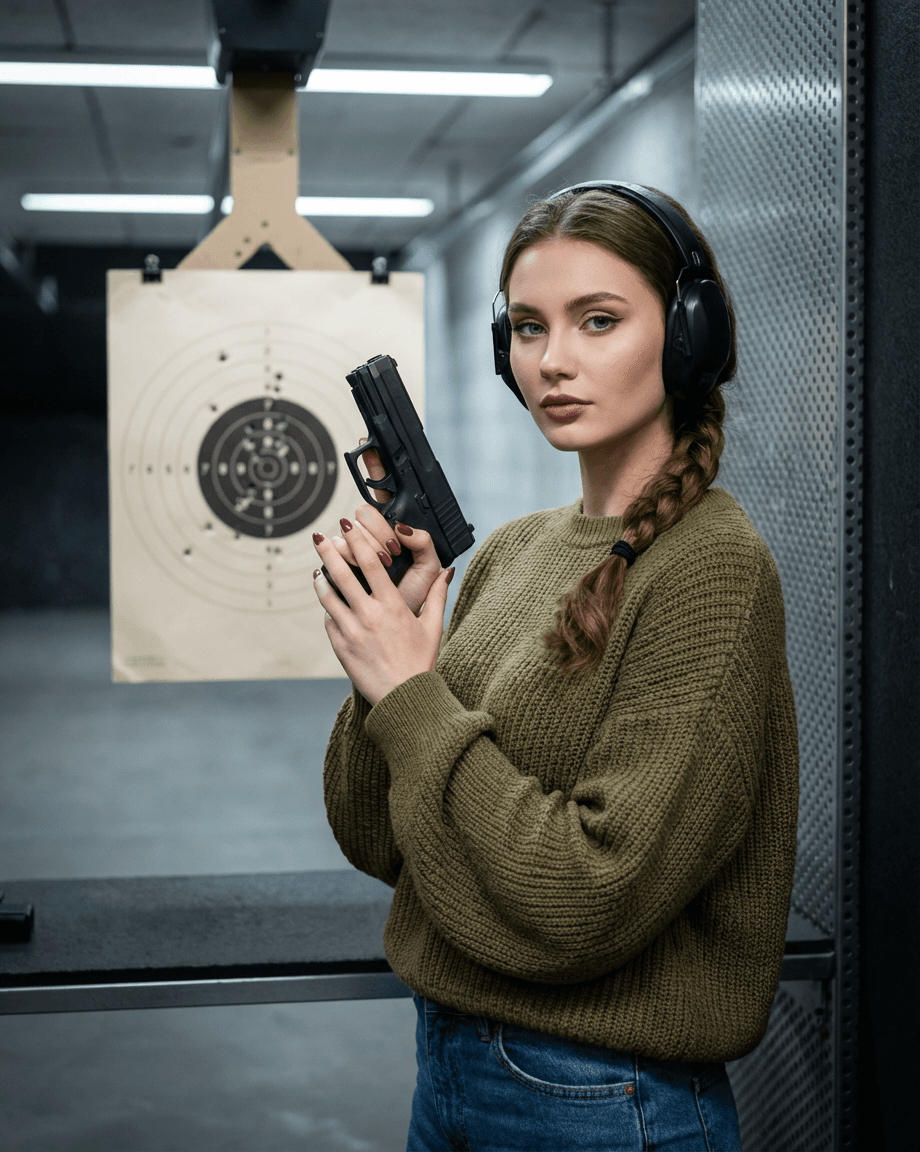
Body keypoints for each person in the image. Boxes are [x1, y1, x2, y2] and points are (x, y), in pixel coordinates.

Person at [312, 183, 799, 1151]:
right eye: (529, 328)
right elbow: (378, 838)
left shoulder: (712, 568)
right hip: (447, 1069)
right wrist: (386, 658)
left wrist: (412, 693)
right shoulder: (511, 552)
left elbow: (587, 898)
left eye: (599, 320)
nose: (553, 361)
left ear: (689, 336)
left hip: (605, 1099)